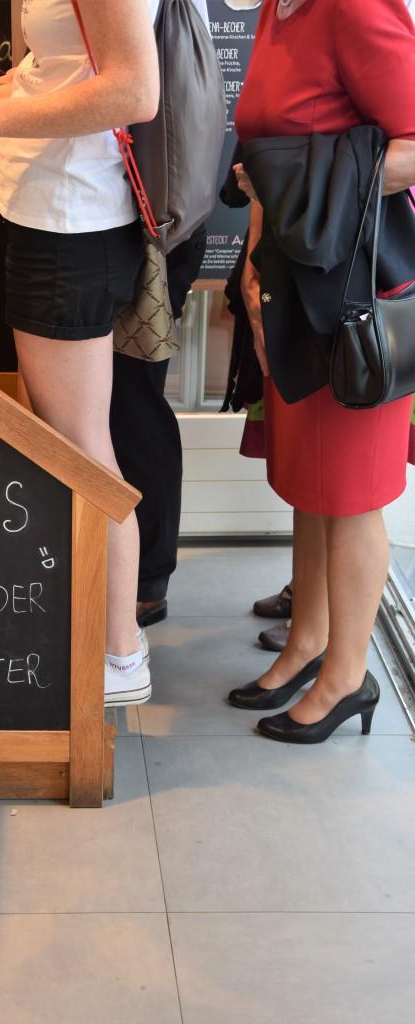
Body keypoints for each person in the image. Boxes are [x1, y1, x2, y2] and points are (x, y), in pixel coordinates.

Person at [0, 0, 161, 707]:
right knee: (63, 442)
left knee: (79, 451)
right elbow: (51, 73)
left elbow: (133, 89)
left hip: (72, 223)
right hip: (49, 215)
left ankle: (118, 657)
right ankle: (105, 641)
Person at [226, 0, 415, 742]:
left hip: (352, 291)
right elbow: (266, 156)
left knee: (351, 489)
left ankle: (346, 678)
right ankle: (307, 643)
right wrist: (250, 260)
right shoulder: (278, 9)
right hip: (290, 279)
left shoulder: (355, 7)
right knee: (308, 477)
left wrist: (305, 182)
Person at [111, 0, 210, 631]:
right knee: (131, 396)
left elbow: (136, 95)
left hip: (149, 220)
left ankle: (148, 573)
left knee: (133, 398)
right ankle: (145, 570)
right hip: (164, 212)